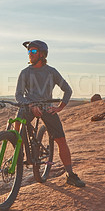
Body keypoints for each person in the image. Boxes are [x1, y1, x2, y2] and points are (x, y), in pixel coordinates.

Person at [15, 40, 85, 187]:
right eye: (29, 52)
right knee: (18, 119)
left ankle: (70, 174)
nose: (30, 54)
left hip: (47, 108)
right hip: (30, 106)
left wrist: (60, 107)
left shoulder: (51, 72)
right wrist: (30, 104)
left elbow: (68, 90)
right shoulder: (25, 73)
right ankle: (18, 151)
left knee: (61, 140)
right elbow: (19, 95)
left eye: (33, 51)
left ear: (42, 54)